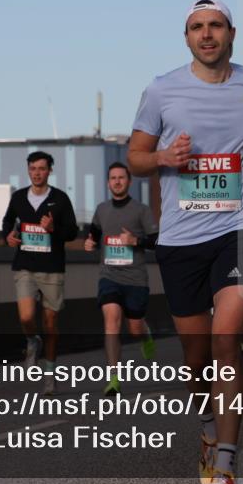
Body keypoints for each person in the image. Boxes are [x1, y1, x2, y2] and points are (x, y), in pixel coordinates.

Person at [128, 0, 243, 484]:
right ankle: (210, 431)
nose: (207, 34)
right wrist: (165, 156)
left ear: (232, 33)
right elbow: (134, 159)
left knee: (224, 340)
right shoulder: (161, 90)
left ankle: (228, 469)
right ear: (187, 37)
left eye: (216, 26)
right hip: (181, 237)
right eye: (197, 27)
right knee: (197, 362)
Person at [1, 151, 79, 395]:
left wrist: (53, 228)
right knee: (26, 317)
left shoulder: (60, 199)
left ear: (49, 171)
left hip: (52, 269)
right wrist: (8, 236)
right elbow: (6, 222)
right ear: (28, 170)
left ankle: (50, 375)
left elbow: (72, 232)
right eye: (33, 168)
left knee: (51, 324)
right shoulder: (18, 198)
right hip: (25, 265)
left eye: (42, 168)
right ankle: (32, 340)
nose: (37, 172)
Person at [84, 162, 159, 397]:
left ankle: (145, 335)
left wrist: (135, 241)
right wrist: (90, 242)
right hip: (109, 276)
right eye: (113, 178)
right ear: (108, 183)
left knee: (135, 328)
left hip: (135, 279)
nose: (117, 181)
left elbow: (157, 241)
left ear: (129, 181)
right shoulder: (101, 209)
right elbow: (94, 233)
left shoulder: (141, 210)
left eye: (121, 178)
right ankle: (113, 378)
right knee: (111, 320)